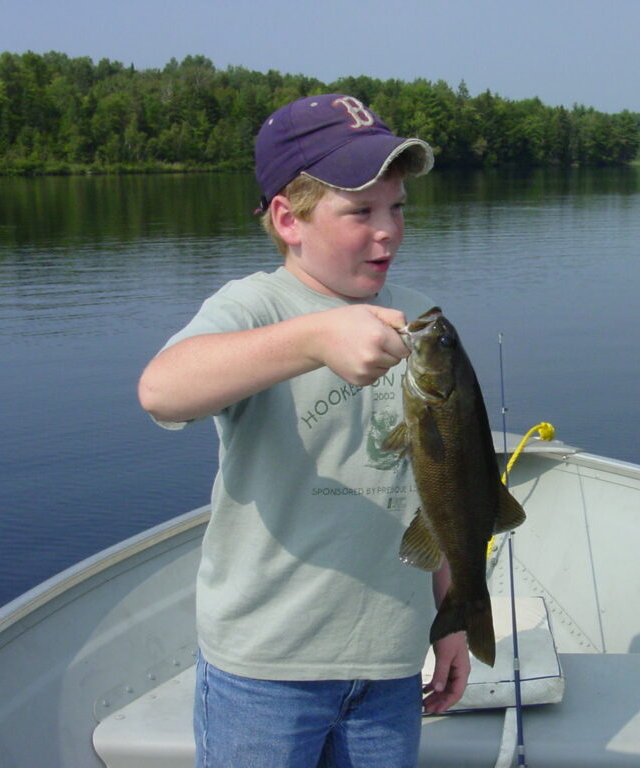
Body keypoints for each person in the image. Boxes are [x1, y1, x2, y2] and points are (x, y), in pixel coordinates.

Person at [138, 94, 470, 768]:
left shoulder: (413, 322)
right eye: (361, 211)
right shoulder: (255, 306)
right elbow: (162, 391)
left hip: (388, 663)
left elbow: (440, 491)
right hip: (266, 670)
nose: (389, 231)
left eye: (398, 207)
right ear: (289, 219)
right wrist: (316, 336)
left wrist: (452, 613)